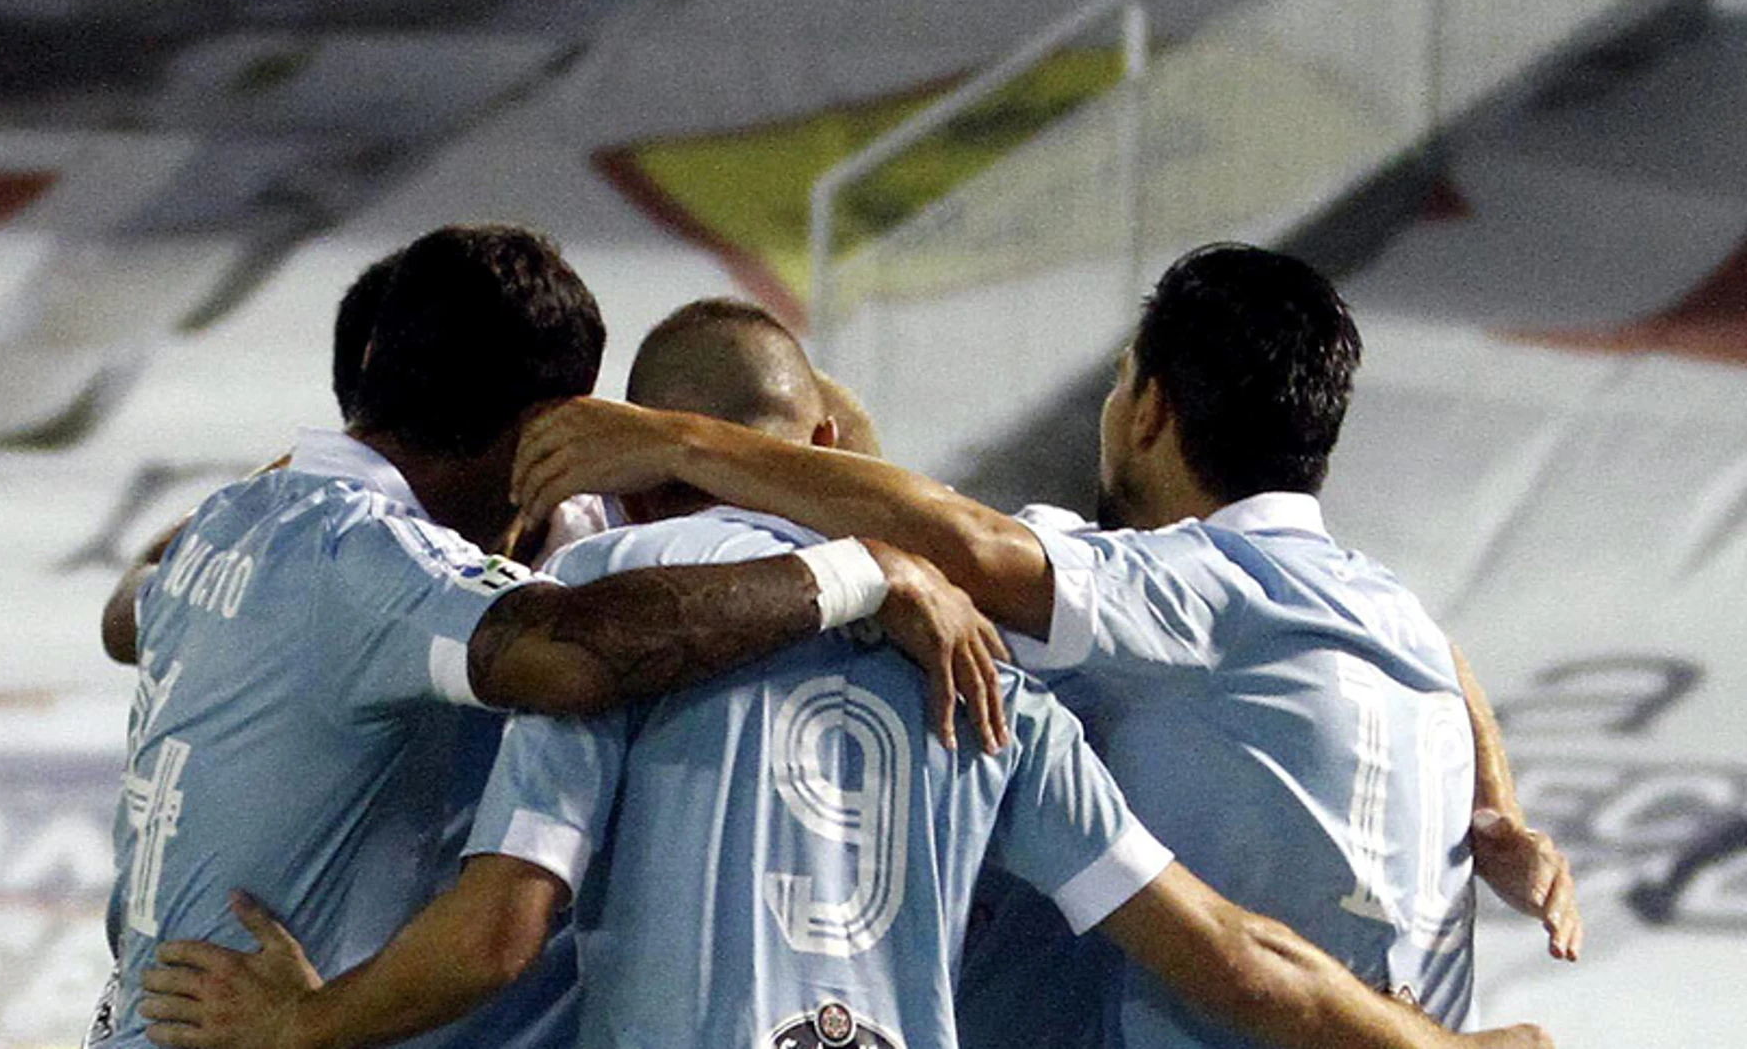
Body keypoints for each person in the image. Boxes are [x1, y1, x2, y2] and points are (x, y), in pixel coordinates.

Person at [138, 297, 1552, 1049]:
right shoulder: (994, 670)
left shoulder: (602, 608)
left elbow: (502, 929)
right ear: (822, 440)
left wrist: (307, 1024)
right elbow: (1232, 953)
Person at [505, 248, 1583, 1042]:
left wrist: (677, 438)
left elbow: (969, 541)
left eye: (1118, 385)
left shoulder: (1171, 592)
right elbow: (1447, 659)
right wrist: (1502, 809)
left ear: (1151, 410)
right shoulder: (1378, 604)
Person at [87, 228, 1008, 1049]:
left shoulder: (237, 520)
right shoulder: (377, 563)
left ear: (375, 361)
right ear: (548, 426)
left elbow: (125, 613)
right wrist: (865, 571)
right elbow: (570, 656)